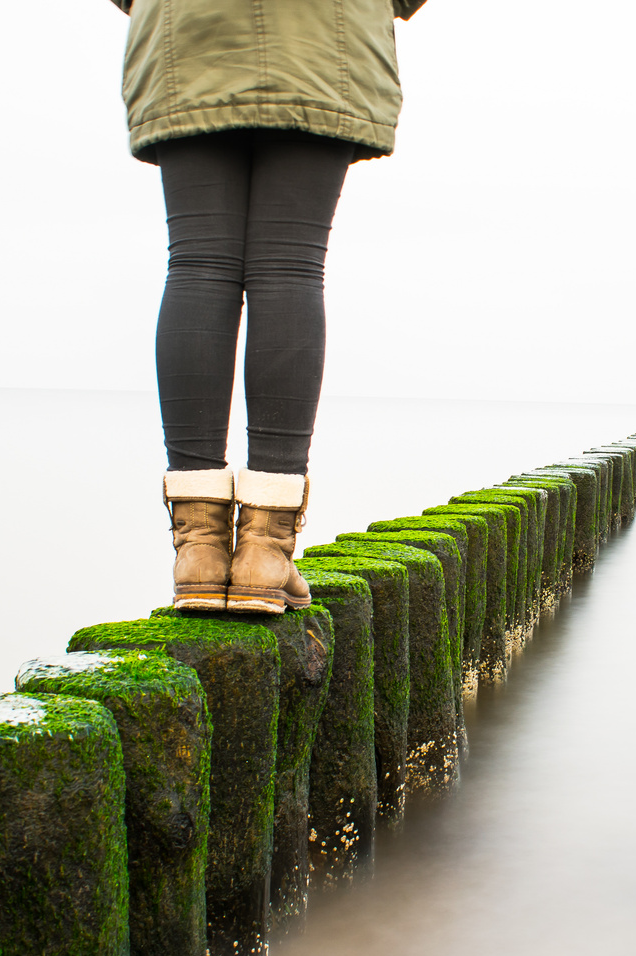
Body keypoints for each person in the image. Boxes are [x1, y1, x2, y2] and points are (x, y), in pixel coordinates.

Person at [108, 0, 427, 614]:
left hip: (189, 29)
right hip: (322, 32)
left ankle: (197, 547)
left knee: (197, 263)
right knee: (290, 266)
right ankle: (266, 549)